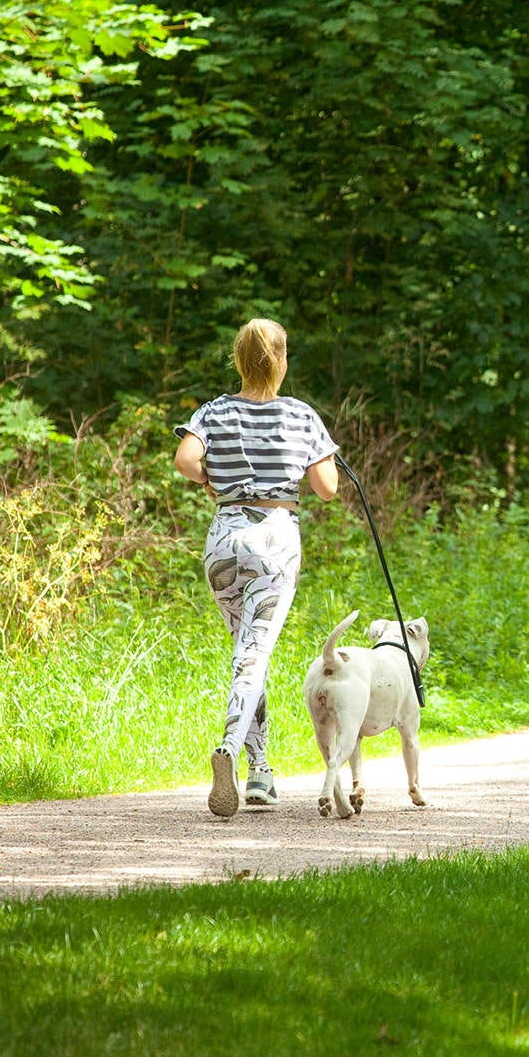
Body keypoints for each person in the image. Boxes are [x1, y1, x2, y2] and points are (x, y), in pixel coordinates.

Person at [173, 318, 340, 817]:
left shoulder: (213, 411)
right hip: (274, 540)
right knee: (254, 654)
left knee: (247, 653)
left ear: (239, 360)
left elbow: (185, 461)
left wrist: (212, 480)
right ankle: (228, 747)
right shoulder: (301, 415)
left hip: (224, 541)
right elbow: (327, 488)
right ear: (281, 360)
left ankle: (260, 772)